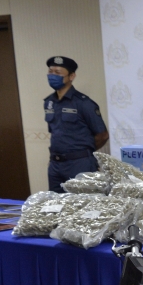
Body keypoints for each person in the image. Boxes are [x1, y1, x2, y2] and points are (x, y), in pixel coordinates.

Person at [44, 56, 108, 192]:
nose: (52, 76)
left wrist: (83, 152)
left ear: (71, 76)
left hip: (79, 164)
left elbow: (102, 135)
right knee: (56, 208)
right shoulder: (49, 102)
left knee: (82, 206)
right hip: (55, 165)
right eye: (50, 72)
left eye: (58, 73)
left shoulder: (83, 103)